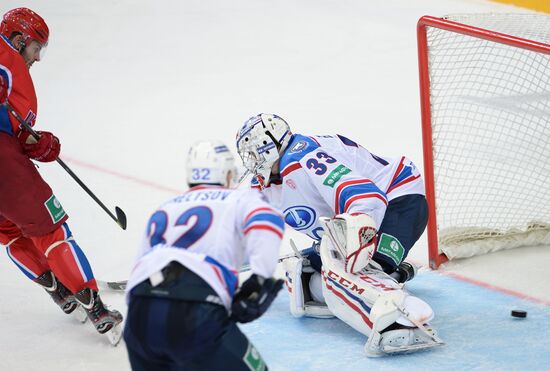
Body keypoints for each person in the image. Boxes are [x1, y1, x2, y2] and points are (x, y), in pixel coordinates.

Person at [235, 113, 443, 356]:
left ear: (269, 146)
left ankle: (401, 316)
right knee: (306, 274)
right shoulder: (264, 184)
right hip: (357, 218)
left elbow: (368, 199)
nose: (250, 161)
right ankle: (393, 273)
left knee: (352, 270)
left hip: (398, 199)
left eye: (253, 152)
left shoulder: (305, 158)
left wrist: (358, 260)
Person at [0, 7, 122, 341]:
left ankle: (60, 292)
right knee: (53, 231)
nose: (38, 58)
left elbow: (15, 128)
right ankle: (96, 308)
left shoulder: (11, 73)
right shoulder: (4, 55)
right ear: (18, 38)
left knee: (11, 232)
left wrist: (39, 143)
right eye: (36, 47)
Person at [124, 140, 285, 370]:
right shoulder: (239, 199)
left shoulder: (164, 207)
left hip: (140, 315)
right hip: (195, 310)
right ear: (227, 173)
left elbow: (139, 264)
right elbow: (268, 222)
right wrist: (259, 278)